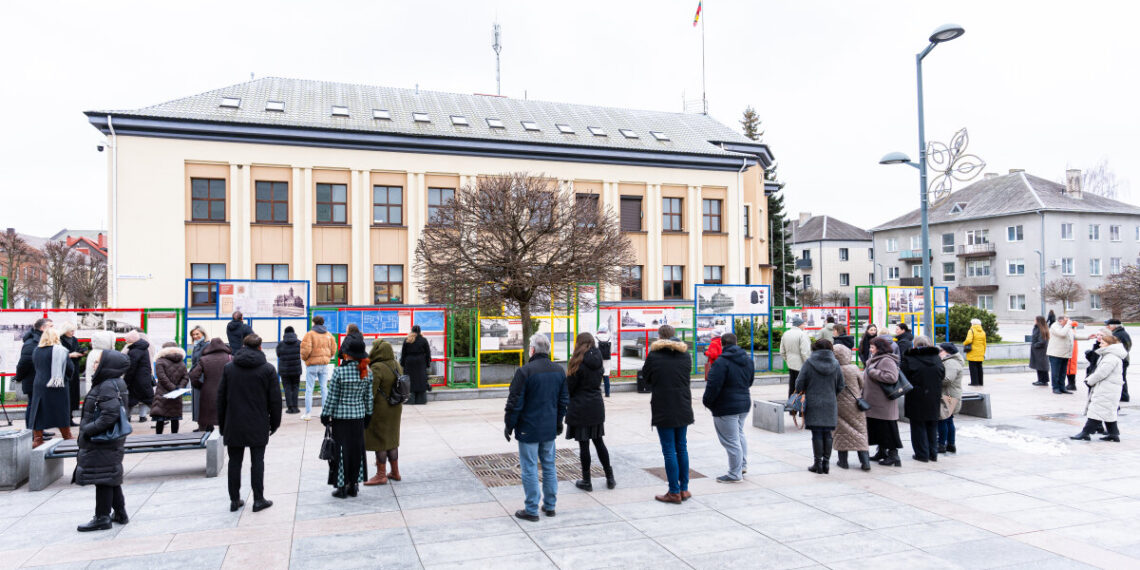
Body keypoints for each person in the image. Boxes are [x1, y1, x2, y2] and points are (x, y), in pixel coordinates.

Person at [504, 334, 569, 521]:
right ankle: (550, 505)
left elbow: (515, 402)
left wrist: (509, 425)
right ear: (547, 350)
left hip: (528, 428)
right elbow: (563, 400)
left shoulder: (525, 372)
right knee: (549, 465)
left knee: (530, 467)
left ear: (532, 349)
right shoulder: (558, 370)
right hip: (548, 428)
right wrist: (558, 422)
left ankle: (531, 509)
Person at [218, 334, 282, 512]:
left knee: (234, 462)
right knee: (257, 461)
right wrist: (274, 423)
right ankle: (258, 499)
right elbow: (275, 400)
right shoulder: (268, 369)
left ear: (243, 346)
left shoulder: (229, 368)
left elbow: (221, 398)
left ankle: (234, 499)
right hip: (258, 421)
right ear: (260, 347)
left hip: (234, 422)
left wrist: (222, 424)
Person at [74, 349, 131, 532]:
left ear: (108, 365)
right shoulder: (114, 383)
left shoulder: (107, 385)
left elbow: (110, 415)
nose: (94, 364)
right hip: (109, 440)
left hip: (102, 439)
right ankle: (120, 512)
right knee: (109, 476)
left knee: (103, 478)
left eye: (98, 362)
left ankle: (102, 517)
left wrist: (87, 430)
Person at [642, 325, 694, 504]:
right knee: (682, 447)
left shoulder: (654, 356)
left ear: (659, 337)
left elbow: (646, 378)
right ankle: (684, 488)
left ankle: (673, 492)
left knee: (669, 450)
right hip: (683, 405)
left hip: (664, 406)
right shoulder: (685, 355)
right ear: (675, 336)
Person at [322, 334, 373, 499]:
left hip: (340, 418)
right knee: (357, 450)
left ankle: (342, 486)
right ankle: (355, 485)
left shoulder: (339, 372)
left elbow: (332, 397)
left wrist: (325, 414)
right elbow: (368, 398)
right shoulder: (366, 372)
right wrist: (368, 415)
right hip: (358, 416)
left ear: (347, 354)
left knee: (341, 451)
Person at [564, 333, 614, 492]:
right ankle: (610, 477)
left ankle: (587, 481)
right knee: (599, 442)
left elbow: (569, 388)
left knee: (584, 444)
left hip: (580, 407)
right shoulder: (598, 359)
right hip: (596, 405)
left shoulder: (577, 362)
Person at [703, 333, 755, 482]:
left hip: (726, 406)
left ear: (722, 344)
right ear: (736, 342)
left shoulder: (721, 362)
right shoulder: (748, 360)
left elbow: (713, 385)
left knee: (731, 441)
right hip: (744, 403)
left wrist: (707, 402)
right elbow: (750, 381)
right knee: (739, 435)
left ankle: (734, 474)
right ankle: (742, 465)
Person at [795, 339, 845, 474]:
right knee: (828, 433)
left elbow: (799, 384)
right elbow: (841, 385)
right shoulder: (835, 363)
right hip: (830, 402)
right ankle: (826, 464)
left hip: (813, 401)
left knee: (816, 433)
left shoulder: (809, 363)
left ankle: (817, 464)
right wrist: (831, 393)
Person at [1071, 335, 1127, 442]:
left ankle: (1085, 433)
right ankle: (1113, 434)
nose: (1100, 345)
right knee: (1108, 411)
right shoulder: (1110, 355)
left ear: (1109, 345)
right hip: (1109, 388)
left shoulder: (1111, 357)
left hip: (1107, 389)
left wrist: (1090, 381)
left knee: (1097, 410)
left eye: (1103, 343)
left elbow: (1101, 373)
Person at [364, 339, 403, 486]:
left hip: (381, 410)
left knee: (380, 441)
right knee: (392, 440)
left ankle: (381, 475)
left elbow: (371, 393)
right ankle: (395, 472)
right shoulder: (397, 365)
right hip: (395, 408)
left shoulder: (377, 368)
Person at [28, 328, 74, 447]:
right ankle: (67, 436)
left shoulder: (36, 350)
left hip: (39, 385)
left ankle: (37, 439)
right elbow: (70, 369)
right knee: (61, 411)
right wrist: (66, 378)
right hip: (58, 386)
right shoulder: (62, 351)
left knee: (39, 410)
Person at [902, 336, 945, 463]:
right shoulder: (936, 358)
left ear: (915, 345)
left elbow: (904, 377)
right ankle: (933, 453)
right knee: (932, 424)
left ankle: (922, 454)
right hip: (934, 395)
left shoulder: (910, 358)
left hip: (916, 396)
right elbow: (942, 374)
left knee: (918, 425)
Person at [864, 336, 903, 467]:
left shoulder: (886, 360)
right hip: (875, 402)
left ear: (879, 348)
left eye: (872, 347)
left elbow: (892, 377)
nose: (870, 349)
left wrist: (873, 372)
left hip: (883, 403)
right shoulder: (875, 359)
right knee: (878, 428)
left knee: (887, 429)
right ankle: (881, 451)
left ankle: (893, 455)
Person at [832, 344, 870, 470]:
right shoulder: (853, 368)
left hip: (838, 404)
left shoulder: (833, 368)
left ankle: (843, 462)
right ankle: (865, 462)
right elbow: (862, 383)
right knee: (860, 431)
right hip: (855, 404)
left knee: (840, 432)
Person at [300, 315, 338, 421]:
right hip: (324, 364)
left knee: (309, 389)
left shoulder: (310, 334)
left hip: (312, 364)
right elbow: (334, 348)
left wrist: (305, 359)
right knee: (324, 388)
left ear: (314, 323)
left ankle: (308, 414)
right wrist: (327, 357)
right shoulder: (328, 334)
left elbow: (305, 350)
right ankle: (325, 412)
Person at [189, 338, 231, 431]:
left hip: (208, 391)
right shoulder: (230, 358)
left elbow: (193, 375)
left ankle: (205, 434)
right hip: (226, 390)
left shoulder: (204, 359)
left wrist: (200, 385)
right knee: (226, 414)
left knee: (206, 415)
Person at [15, 318, 52, 419]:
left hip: (40, 379)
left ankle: (38, 430)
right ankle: (32, 432)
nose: (53, 329)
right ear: (42, 328)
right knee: (33, 406)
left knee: (39, 406)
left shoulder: (41, 341)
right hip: (33, 380)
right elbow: (24, 363)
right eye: (50, 327)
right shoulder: (32, 343)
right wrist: (19, 378)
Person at [151, 342, 189, 434]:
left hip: (162, 393)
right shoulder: (181, 362)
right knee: (175, 417)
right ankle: (174, 440)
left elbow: (162, 377)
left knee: (160, 418)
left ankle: (158, 440)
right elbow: (185, 377)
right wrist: (179, 388)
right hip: (176, 395)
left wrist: (172, 388)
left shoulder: (160, 361)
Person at [122, 331, 154, 423]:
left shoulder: (135, 350)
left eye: (126, 339)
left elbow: (131, 367)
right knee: (132, 400)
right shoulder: (141, 348)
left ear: (131, 340)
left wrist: (126, 380)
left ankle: (160, 416)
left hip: (137, 380)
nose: (125, 341)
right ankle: (125, 418)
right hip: (142, 379)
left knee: (148, 400)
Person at [938, 343, 964, 454]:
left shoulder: (951, 363)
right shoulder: (951, 361)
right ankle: (950, 444)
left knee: (943, 420)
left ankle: (942, 444)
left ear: (947, 352)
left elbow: (947, 379)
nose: (939, 353)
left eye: (941, 350)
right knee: (948, 420)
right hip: (950, 394)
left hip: (948, 395)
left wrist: (935, 380)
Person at [59, 322, 87, 426]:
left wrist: (81, 352)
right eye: (71, 330)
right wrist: (70, 355)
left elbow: (76, 351)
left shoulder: (74, 339)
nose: (73, 332)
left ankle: (70, 418)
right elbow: (58, 355)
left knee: (73, 394)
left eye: (73, 331)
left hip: (74, 369)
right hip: (64, 370)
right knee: (65, 395)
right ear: (65, 330)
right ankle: (63, 419)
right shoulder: (59, 340)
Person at [400, 325, 432, 405]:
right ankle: (421, 400)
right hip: (420, 362)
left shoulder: (407, 340)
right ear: (419, 331)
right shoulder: (423, 340)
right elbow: (428, 353)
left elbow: (403, 353)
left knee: (410, 381)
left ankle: (410, 400)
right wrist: (427, 364)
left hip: (409, 362)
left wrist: (402, 363)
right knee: (420, 380)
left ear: (412, 331)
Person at [780, 317, 811, 396]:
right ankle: (799, 403)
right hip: (801, 365)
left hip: (790, 364)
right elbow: (805, 352)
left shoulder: (786, 333)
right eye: (803, 324)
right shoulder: (802, 334)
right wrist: (809, 364)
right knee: (801, 386)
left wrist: (788, 360)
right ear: (799, 325)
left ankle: (791, 402)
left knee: (792, 384)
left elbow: (782, 351)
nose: (804, 326)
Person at [276, 326, 303, 414]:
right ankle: (295, 407)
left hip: (285, 370)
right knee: (295, 387)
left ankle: (289, 407)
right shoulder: (299, 343)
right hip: (296, 369)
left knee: (287, 387)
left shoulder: (280, 344)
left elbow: (278, 354)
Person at [1047, 316, 1076, 394]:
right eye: (1066, 320)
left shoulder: (1066, 327)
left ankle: (1062, 387)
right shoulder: (1055, 326)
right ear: (1060, 320)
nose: (1068, 322)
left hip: (1065, 354)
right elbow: (1062, 334)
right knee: (1056, 372)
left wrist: (1087, 337)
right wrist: (1068, 324)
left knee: (1063, 372)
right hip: (1055, 354)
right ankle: (1055, 388)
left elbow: (1072, 337)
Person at [1106, 319, 1132, 402]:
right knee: (1120, 377)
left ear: (1114, 326)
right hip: (1122, 359)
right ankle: (1122, 395)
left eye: (1108, 325)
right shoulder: (1119, 333)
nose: (1107, 327)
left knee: (1121, 378)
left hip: (1122, 359)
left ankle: (1124, 396)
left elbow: (1126, 347)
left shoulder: (1120, 334)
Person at [188, 326, 209, 426]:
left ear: (203, 334)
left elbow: (202, 361)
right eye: (193, 334)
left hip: (201, 377)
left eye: (197, 334)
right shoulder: (197, 346)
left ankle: (205, 425)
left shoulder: (206, 345)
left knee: (202, 401)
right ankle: (201, 424)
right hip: (196, 376)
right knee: (197, 402)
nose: (195, 336)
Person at [963, 319, 987, 386]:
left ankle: (974, 382)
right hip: (980, 352)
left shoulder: (971, 331)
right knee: (979, 367)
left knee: (973, 368)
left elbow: (968, 340)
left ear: (972, 324)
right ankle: (980, 382)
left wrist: (964, 343)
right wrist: (983, 352)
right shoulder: (983, 332)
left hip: (972, 352)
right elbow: (984, 343)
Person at [1030, 317, 1050, 387]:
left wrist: (1035, 345)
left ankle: (1043, 380)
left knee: (1041, 366)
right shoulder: (1038, 328)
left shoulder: (1041, 329)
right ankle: (1041, 380)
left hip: (1040, 351)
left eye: (1035, 320)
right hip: (1038, 351)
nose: (1034, 321)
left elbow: (1042, 341)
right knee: (1040, 366)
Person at [595, 327, 613, 397]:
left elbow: (594, 348)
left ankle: (597, 393)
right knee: (606, 376)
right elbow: (611, 350)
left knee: (597, 377)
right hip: (607, 359)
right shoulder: (609, 338)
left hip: (598, 359)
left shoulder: (596, 338)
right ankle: (607, 393)